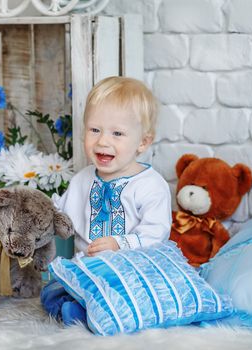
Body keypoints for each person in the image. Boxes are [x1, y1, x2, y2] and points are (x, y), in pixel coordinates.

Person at [41, 76, 172, 325]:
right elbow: (61, 215)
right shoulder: (83, 179)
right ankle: (79, 309)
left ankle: (98, 313)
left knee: (135, 298)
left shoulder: (151, 185)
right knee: (52, 290)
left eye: (117, 133)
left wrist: (120, 243)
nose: (103, 141)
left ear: (143, 142)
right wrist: (38, 214)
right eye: (95, 130)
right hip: (88, 271)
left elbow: (157, 233)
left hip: (131, 273)